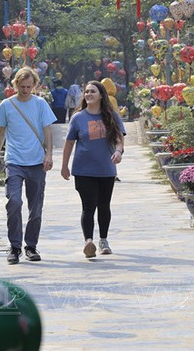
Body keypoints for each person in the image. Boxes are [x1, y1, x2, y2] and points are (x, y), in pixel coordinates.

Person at [0, 67, 56, 264]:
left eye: (29, 86)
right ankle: (15, 246)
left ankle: (31, 246)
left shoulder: (40, 104)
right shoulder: (7, 105)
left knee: (35, 207)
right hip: (14, 162)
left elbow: (47, 131)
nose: (26, 90)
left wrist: (49, 155)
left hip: (36, 162)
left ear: (34, 85)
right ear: (15, 85)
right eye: (22, 86)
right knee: (14, 202)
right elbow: (1, 134)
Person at [60, 80, 126, 258]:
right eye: (87, 92)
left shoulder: (111, 116)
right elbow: (69, 143)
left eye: (93, 92)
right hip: (83, 170)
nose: (88, 94)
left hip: (106, 169)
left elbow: (120, 139)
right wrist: (64, 165)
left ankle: (103, 240)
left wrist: (119, 152)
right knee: (88, 206)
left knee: (104, 206)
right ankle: (88, 241)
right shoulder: (78, 117)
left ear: (101, 95)